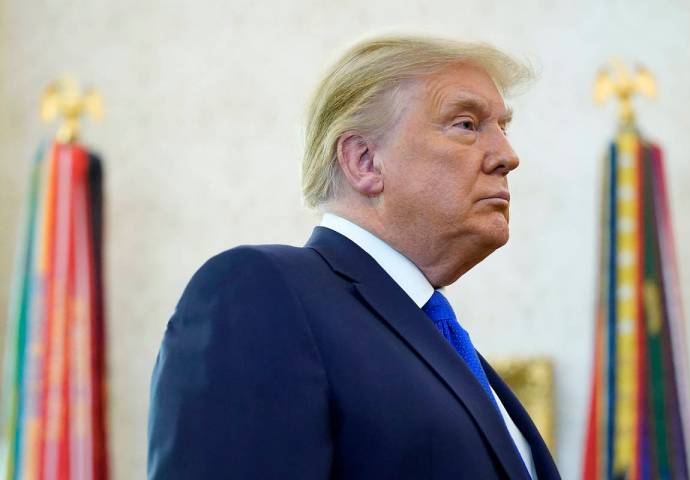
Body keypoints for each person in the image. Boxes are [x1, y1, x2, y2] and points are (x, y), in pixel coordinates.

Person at [148, 35, 561, 480]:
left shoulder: (437, 337)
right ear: (364, 161)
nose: (507, 156)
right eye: (466, 124)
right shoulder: (259, 292)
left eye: (504, 128)